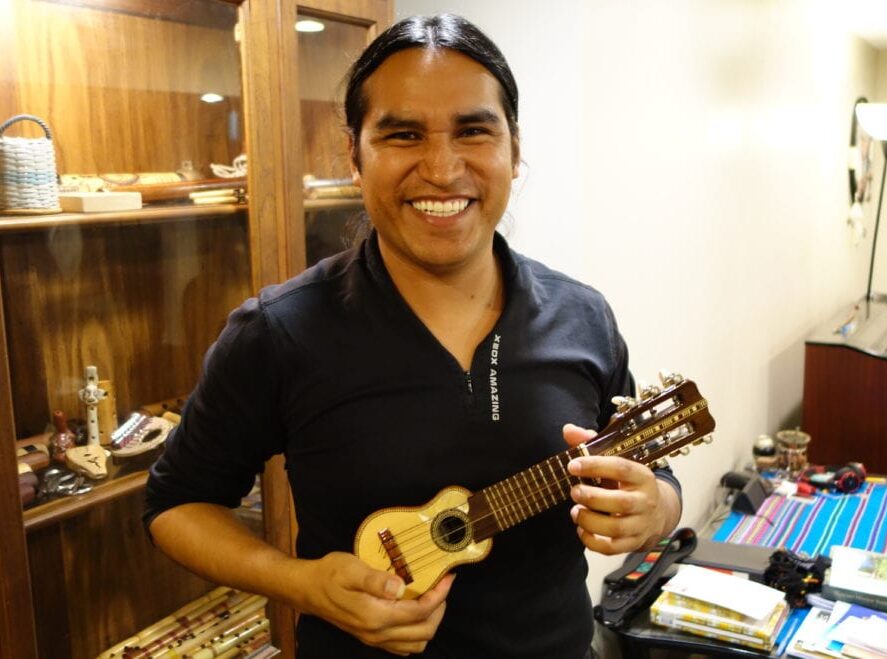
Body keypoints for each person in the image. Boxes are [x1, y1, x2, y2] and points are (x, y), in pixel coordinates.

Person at [145, 14, 682, 659]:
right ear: (354, 155)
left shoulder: (583, 315)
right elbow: (175, 504)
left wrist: (660, 508)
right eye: (402, 134)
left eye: (473, 131)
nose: (441, 167)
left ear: (514, 148)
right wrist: (301, 583)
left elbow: (647, 464)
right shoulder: (279, 332)